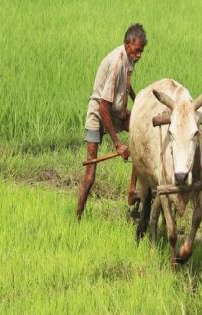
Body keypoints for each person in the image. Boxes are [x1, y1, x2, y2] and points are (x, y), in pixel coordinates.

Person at [76, 23, 146, 220]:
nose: (139, 55)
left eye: (142, 51)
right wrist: (117, 145)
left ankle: (132, 190)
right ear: (127, 44)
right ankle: (77, 218)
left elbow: (128, 85)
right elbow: (102, 107)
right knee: (90, 175)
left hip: (116, 111)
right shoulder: (117, 62)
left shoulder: (129, 59)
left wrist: (139, 103)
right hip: (98, 116)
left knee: (138, 127)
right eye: (137, 49)